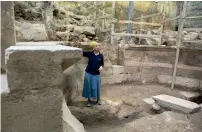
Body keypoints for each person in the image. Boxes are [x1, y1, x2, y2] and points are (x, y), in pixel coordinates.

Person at [82, 41, 104, 107]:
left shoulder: (101, 56)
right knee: (88, 87)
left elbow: (102, 64)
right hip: (88, 73)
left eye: (98, 45)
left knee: (96, 87)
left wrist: (101, 67)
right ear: (93, 48)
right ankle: (89, 101)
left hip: (96, 74)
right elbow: (80, 52)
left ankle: (98, 99)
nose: (98, 47)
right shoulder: (89, 53)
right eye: (96, 46)